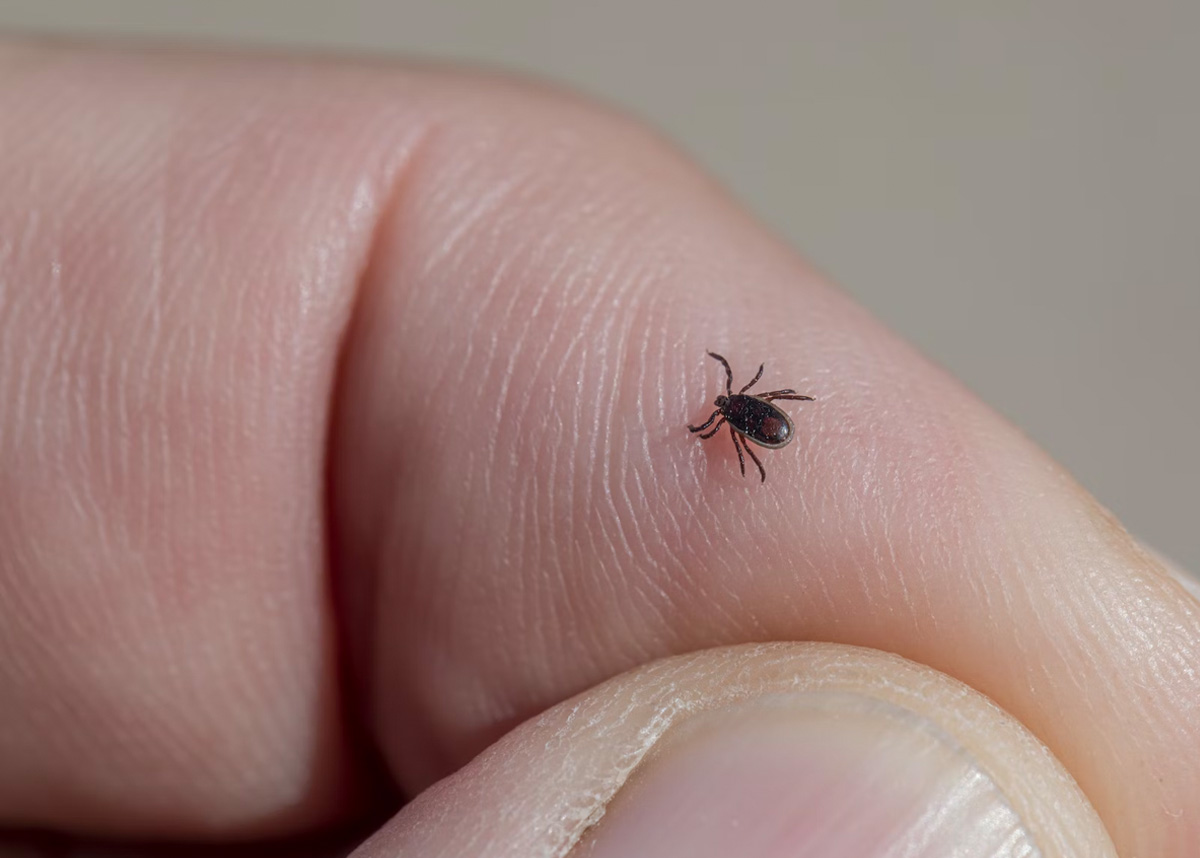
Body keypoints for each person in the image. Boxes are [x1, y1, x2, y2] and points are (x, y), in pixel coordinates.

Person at [0, 42, 1196, 857]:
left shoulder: (734, 418)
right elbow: (752, 409)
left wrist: (740, 425)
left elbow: (744, 408)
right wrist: (749, 429)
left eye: (739, 416)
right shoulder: (742, 420)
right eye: (737, 417)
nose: (736, 419)